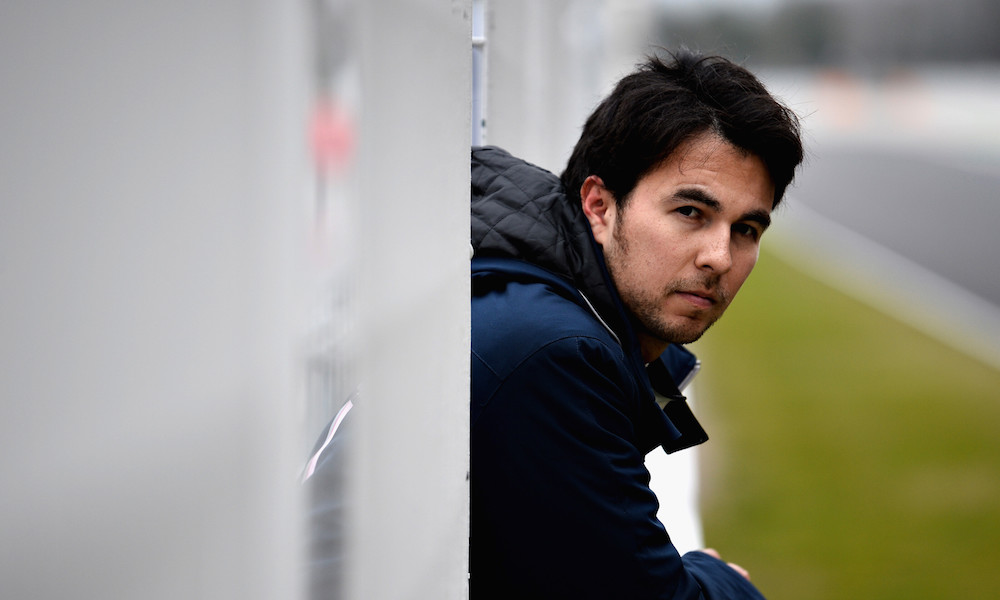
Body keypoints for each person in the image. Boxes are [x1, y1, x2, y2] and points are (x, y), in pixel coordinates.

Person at [470, 50, 803, 599]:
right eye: (690, 212)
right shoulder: (553, 352)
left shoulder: (559, 314)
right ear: (600, 206)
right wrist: (725, 581)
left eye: (746, 229)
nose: (719, 257)